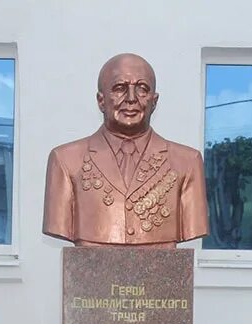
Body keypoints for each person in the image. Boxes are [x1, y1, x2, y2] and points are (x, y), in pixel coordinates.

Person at [42, 53, 209, 246]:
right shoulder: (65, 160)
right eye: (119, 88)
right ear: (101, 100)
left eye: (142, 89)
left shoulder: (187, 162)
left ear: (154, 102)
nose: (131, 99)